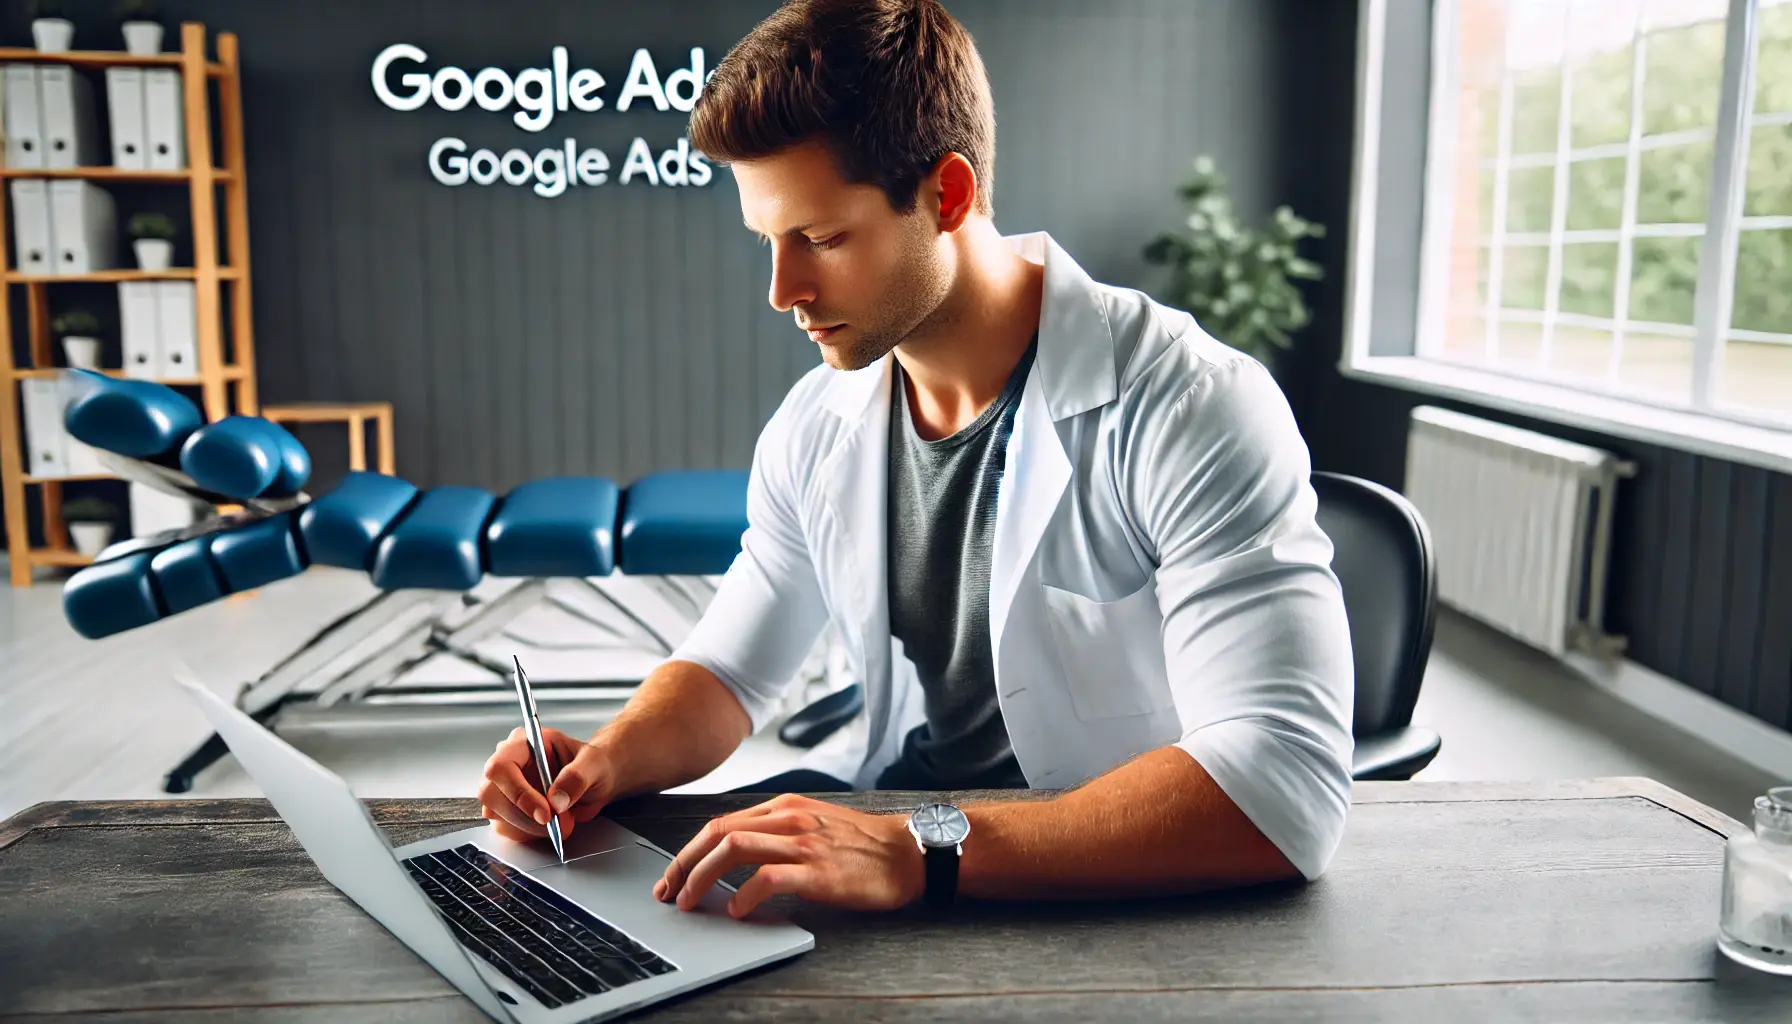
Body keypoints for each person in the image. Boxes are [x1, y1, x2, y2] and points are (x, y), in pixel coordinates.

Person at [478, 0, 1354, 920]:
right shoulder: (819, 422)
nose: (783, 291)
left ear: (948, 194)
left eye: (819, 239)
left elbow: (1281, 782)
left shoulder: (1190, 403)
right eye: (769, 244)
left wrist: (916, 847)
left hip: (1093, 872)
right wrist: (606, 759)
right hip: (899, 822)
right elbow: (730, 673)